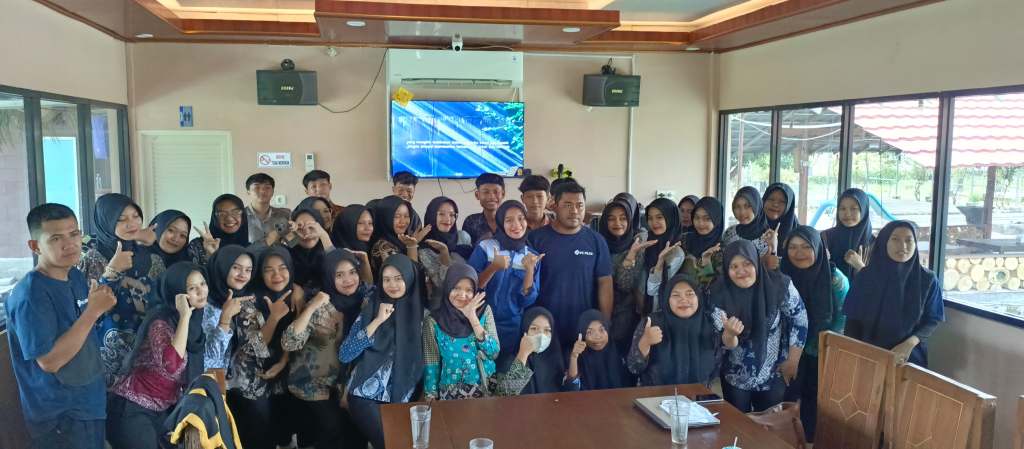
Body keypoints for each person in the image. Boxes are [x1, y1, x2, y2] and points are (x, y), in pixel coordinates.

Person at [7, 203, 115, 449]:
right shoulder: (31, 294)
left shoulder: (74, 275)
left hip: (89, 400)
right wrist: (93, 311)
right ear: (35, 246)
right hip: (60, 414)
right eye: (56, 238)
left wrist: (97, 307)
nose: (70, 244)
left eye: (74, 234)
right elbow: (50, 361)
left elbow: (79, 330)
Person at [107, 262, 209, 449]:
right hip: (133, 408)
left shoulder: (196, 324)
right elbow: (172, 364)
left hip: (163, 411)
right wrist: (184, 316)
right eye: (192, 288)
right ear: (177, 293)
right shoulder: (160, 323)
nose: (201, 291)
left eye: (202, 284)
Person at [282, 249, 372, 449]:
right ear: (328, 277)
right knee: (332, 430)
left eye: (352, 272)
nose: (348, 280)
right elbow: (289, 343)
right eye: (339, 275)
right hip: (313, 382)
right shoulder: (321, 305)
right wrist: (310, 307)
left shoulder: (364, 301)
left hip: (345, 382)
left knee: (356, 432)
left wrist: (365, 262)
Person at [710, 240, 808, 413]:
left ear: (756, 262)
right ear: (726, 269)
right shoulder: (718, 293)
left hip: (774, 371)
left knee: (770, 424)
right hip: (735, 375)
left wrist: (793, 360)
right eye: (734, 266)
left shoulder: (779, 285)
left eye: (747, 264)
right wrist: (730, 334)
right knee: (738, 424)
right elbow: (726, 342)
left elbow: (799, 320)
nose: (741, 271)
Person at [77, 193, 165, 383]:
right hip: (105, 359)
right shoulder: (92, 258)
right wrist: (112, 272)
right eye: (121, 219)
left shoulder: (153, 258)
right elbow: (84, 310)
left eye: (135, 216)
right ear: (106, 222)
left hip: (147, 357)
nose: (131, 224)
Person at [339, 254, 424, 449]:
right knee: (390, 445)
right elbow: (345, 354)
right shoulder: (371, 309)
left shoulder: (422, 317)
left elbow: (427, 362)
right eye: (386, 279)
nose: (392, 285)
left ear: (410, 278)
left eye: (398, 278)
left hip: (402, 398)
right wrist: (377, 321)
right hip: (365, 396)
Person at [780, 225, 849, 442]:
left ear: (818, 248)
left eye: (806, 247)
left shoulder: (836, 279)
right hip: (787, 347)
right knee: (787, 396)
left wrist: (823, 348)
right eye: (793, 247)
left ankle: (809, 440)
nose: (798, 253)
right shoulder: (781, 275)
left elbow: (842, 319)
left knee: (813, 398)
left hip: (820, 349)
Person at [843, 221, 944, 367]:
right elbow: (852, 321)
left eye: (909, 240)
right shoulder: (866, 277)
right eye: (895, 239)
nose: (903, 246)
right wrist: (855, 356)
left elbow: (932, 319)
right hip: (869, 355)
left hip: (909, 357)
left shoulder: (927, 279)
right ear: (884, 242)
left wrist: (910, 343)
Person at [527, 182, 613, 350]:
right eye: (567, 205)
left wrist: (604, 323)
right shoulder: (536, 239)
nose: (574, 211)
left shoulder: (596, 240)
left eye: (579, 205)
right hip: (545, 328)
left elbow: (605, 283)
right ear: (554, 206)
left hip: (584, 328)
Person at [628, 275, 741, 387]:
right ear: (667, 299)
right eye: (676, 295)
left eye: (690, 294)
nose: (683, 299)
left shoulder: (711, 322)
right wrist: (645, 342)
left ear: (698, 297)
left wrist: (730, 335)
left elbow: (727, 348)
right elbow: (634, 367)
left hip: (698, 394)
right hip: (658, 395)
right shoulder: (652, 322)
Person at [468, 200, 542, 367]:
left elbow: (527, 300)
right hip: (481, 321)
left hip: (512, 327)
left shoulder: (531, 256)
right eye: (509, 220)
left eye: (521, 218)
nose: (516, 225)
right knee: (481, 369)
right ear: (501, 222)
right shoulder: (486, 247)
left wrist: (530, 270)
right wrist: (494, 267)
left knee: (505, 370)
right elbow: (471, 287)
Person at [422, 263, 501, 400]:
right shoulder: (434, 321)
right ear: (447, 287)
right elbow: (432, 361)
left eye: (469, 290)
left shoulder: (484, 312)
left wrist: (472, 318)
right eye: (456, 288)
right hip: (451, 393)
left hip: (485, 390)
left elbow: (493, 353)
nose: (462, 295)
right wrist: (431, 395)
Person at [252, 245, 302, 449]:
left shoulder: (297, 296)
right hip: (257, 372)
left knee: (288, 424)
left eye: (282, 268)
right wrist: (273, 318)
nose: (277, 275)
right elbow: (256, 347)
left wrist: (283, 361)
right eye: (268, 270)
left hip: (290, 368)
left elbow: (296, 336)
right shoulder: (253, 299)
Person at [597, 194, 648, 356]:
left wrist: (630, 257)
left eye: (623, 218)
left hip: (625, 314)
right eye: (611, 219)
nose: (617, 223)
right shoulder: (597, 242)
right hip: (596, 309)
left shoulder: (637, 244)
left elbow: (625, 286)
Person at [419, 196, 472, 308]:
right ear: (432, 216)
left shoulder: (463, 237)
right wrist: (444, 252)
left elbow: (472, 272)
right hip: (440, 306)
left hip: (466, 303)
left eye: (452, 215)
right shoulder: (425, 246)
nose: (448, 219)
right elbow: (441, 282)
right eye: (441, 214)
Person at [188, 194, 270, 265]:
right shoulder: (197, 246)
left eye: (235, 212)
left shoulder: (251, 248)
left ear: (243, 216)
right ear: (215, 218)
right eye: (222, 214)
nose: (229, 218)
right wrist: (210, 256)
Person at [515, 307, 580, 394]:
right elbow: (507, 393)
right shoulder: (512, 360)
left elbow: (572, 391)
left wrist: (574, 357)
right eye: (534, 328)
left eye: (547, 330)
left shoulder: (555, 359)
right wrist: (523, 353)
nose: (541, 335)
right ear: (524, 330)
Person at [640, 197, 685, 315]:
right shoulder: (645, 241)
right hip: (639, 307)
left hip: (659, 311)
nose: (654, 222)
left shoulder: (676, 253)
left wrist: (659, 263)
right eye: (650, 218)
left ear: (671, 218)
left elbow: (653, 290)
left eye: (659, 217)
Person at [568, 309, 632, 390]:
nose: (597, 336)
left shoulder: (620, 352)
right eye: (589, 332)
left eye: (601, 330)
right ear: (582, 335)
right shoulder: (578, 356)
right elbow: (572, 388)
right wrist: (574, 357)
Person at [369, 195, 429, 275]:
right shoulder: (383, 246)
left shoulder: (401, 240)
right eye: (396, 216)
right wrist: (411, 247)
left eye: (406, 216)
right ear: (385, 217)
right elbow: (408, 277)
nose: (403, 221)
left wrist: (412, 243)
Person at [821, 188, 873, 280]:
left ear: (864, 210)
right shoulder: (825, 238)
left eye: (853, 209)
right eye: (842, 208)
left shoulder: (875, 244)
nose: (847, 214)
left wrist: (860, 266)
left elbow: (879, 283)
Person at [288, 202, 336, 291]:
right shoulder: (286, 253)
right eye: (300, 228)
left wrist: (323, 235)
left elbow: (338, 267)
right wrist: (285, 229)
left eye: (311, 227)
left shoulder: (328, 249)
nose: (307, 233)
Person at [723, 186, 773, 259]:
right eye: (737, 206)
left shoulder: (769, 236)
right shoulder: (729, 233)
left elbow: (773, 263)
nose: (742, 212)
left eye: (747, 206)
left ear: (757, 206)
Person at [244, 173, 291, 244]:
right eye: (257, 187)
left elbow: (293, 243)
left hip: (278, 251)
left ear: (272, 192)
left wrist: (295, 232)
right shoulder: (240, 216)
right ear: (248, 192)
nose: (262, 191)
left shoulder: (285, 214)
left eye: (267, 187)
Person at [462, 172, 506, 246]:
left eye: (496, 192)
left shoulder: (511, 220)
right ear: (477, 195)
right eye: (486, 192)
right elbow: (464, 250)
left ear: (503, 194)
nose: (491, 196)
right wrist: (480, 243)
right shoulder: (471, 222)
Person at [762, 182, 800, 265]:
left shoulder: (799, 235)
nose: (775, 204)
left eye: (782, 202)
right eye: (771, 199)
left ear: (789, 206)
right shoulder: (751, 228)